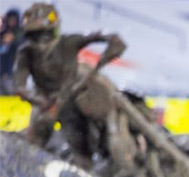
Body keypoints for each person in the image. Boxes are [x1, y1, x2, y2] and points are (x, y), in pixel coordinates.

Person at [13, 3, 125, 168]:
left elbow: (101, 37)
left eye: (45, 35)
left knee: (81, 148)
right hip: (45, 102)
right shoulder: (26, 53)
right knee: (34, 141)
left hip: (69, 102)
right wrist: (41, 102)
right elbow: (19, 87)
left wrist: (110, 42)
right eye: (37, 36)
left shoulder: (69, 43)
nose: (42, 43)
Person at [0, 8, 20, 95]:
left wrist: (12, 41)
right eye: (10, 19)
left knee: (9, 92)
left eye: (13, 20)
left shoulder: (20, 33)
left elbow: (23, 43)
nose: (11, 22)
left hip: (10, 72)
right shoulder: (3, 32)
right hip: (1, 69)